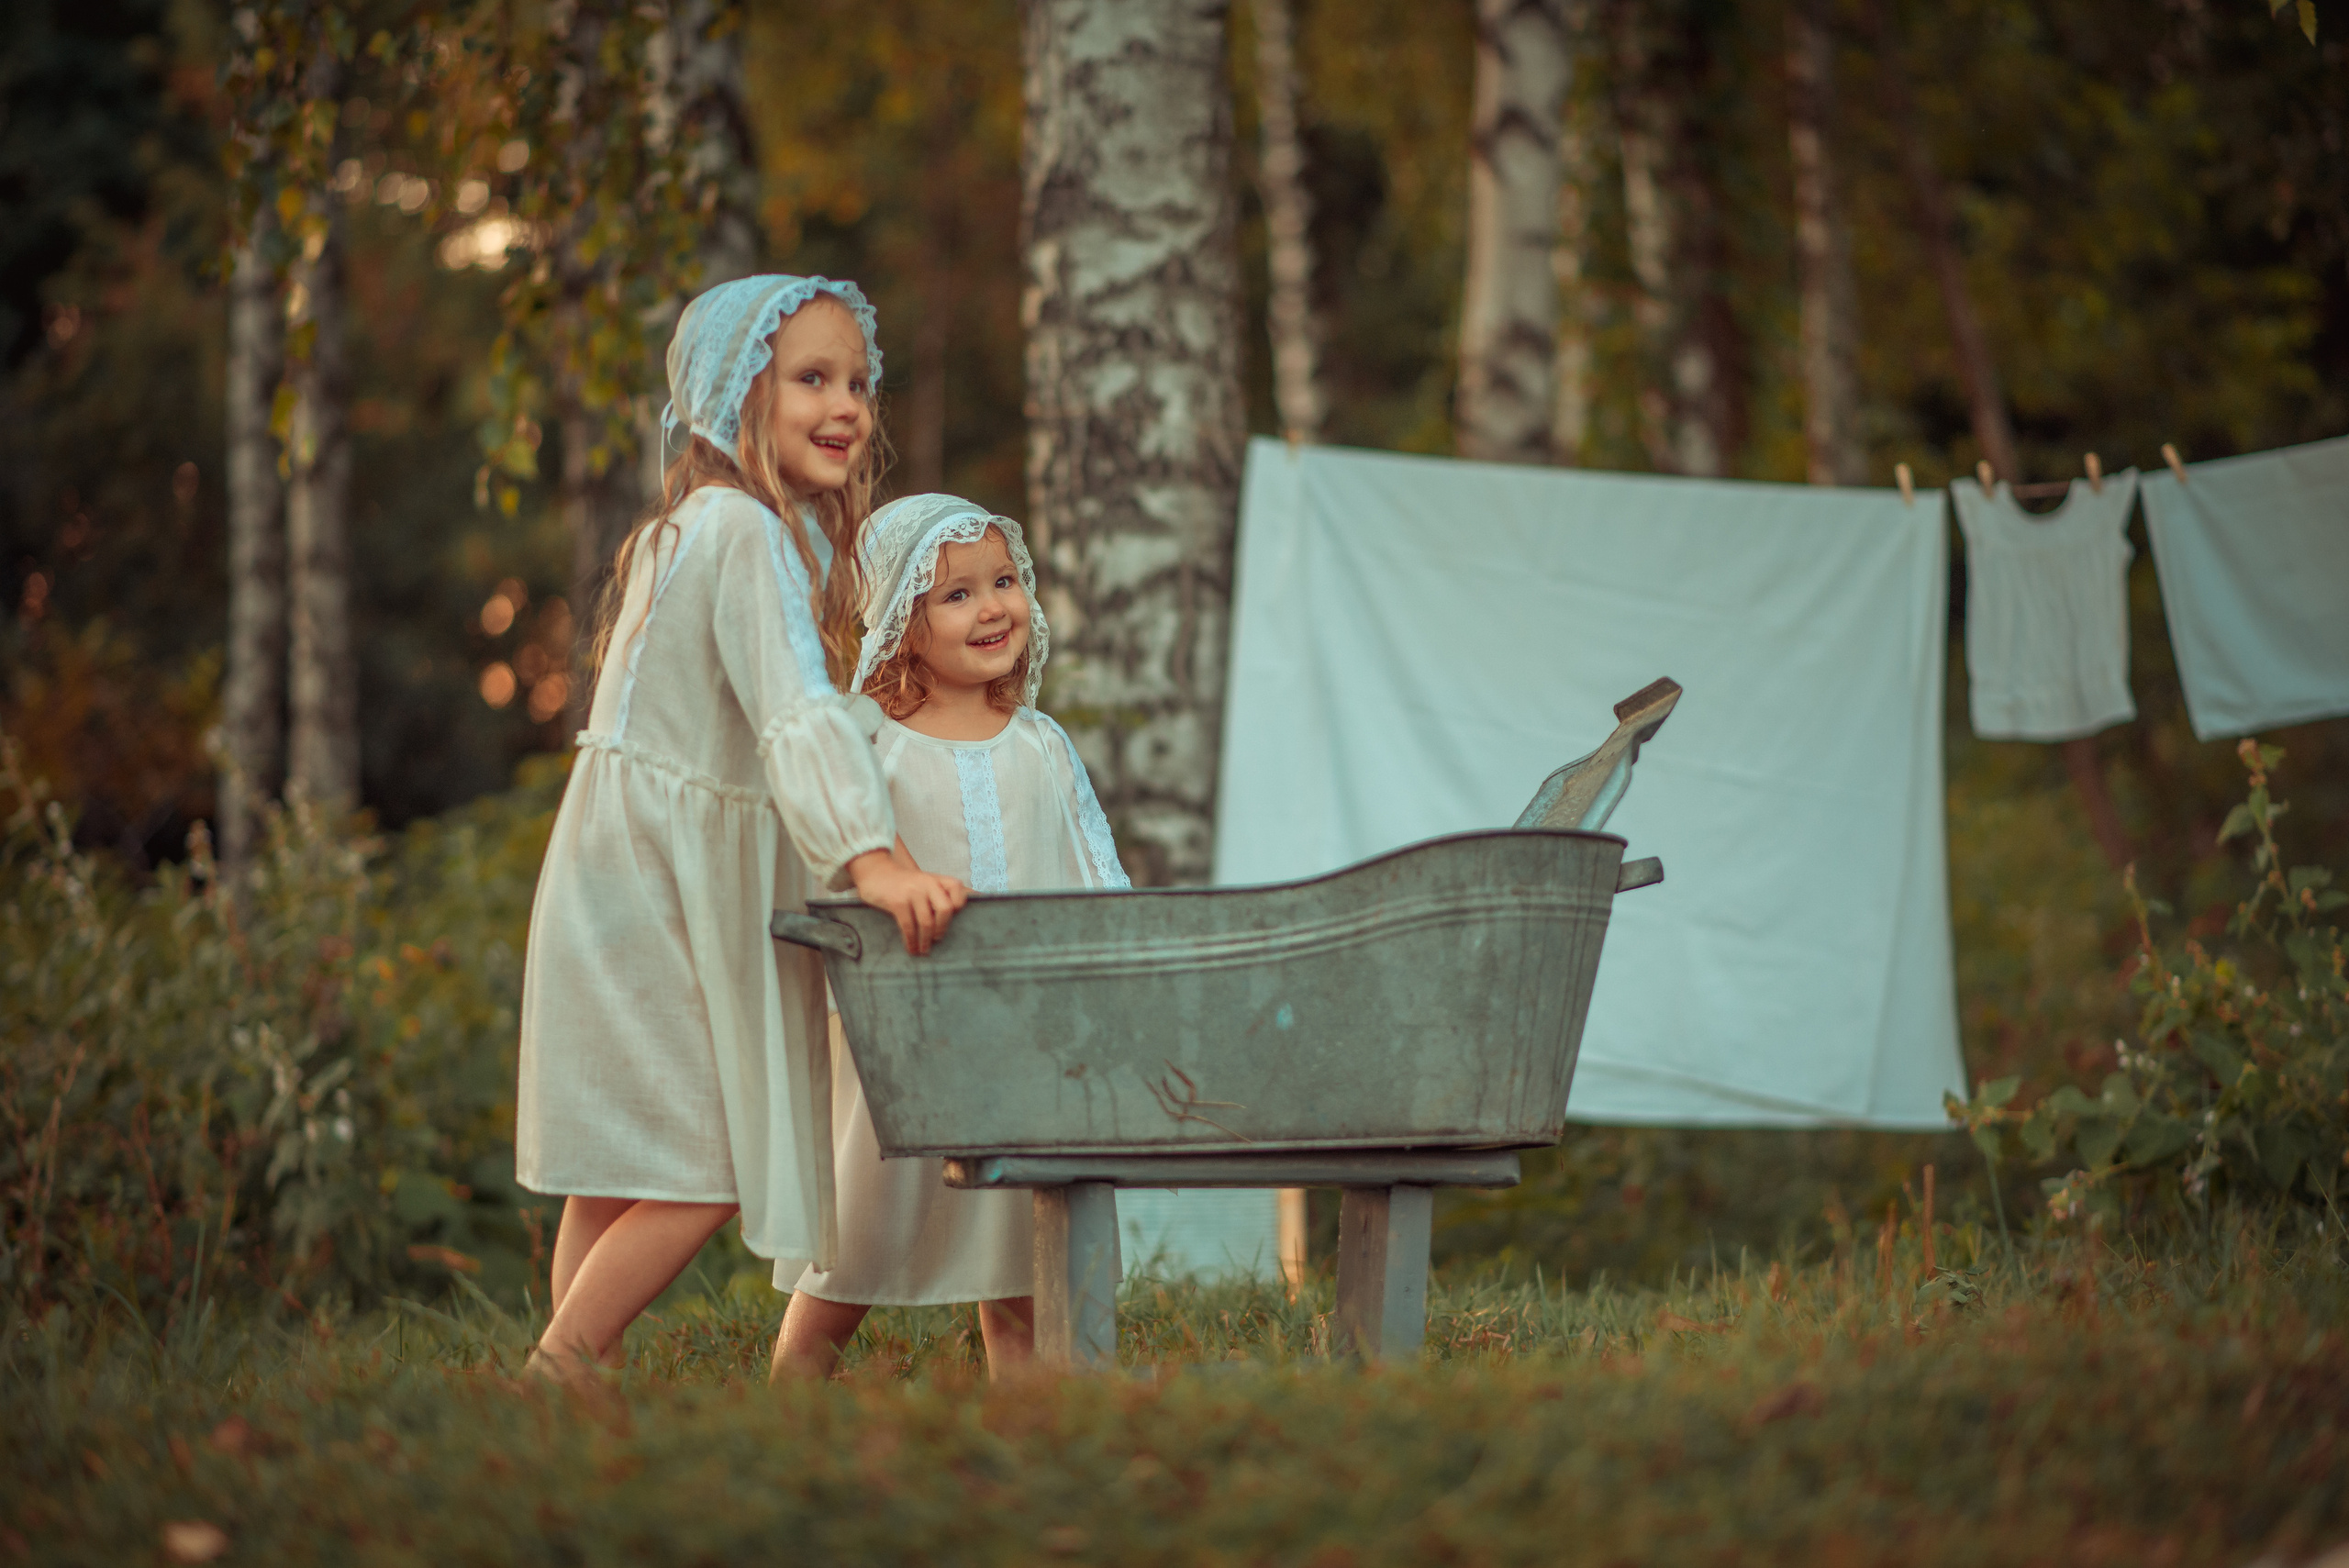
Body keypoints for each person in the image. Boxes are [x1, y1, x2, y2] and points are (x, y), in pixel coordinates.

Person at [514, 276, 968, 1382]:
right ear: (733, 399)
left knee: (621, 1157)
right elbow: (793, 717)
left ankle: (581, 1378)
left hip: (615, 865)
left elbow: (797, 713)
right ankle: (562, 1362)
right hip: (656, 878)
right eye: (811, 378)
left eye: (857, 380)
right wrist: (871, 859)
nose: (847, 404)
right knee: (707, 1162)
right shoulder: (743, 531)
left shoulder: (699, 528)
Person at [769, 493, 1130, 1381]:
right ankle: (790, 1388)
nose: (992, 606)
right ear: (901, 621)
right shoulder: (872, 745)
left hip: (1028, 1043)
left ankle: (1036, 1415)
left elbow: (1096, 875)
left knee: (1019, 1264)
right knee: (853, 1241)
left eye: (1003, 581)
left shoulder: (1042, 746)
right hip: (903, 1041)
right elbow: (831, 857)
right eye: (957, 593)